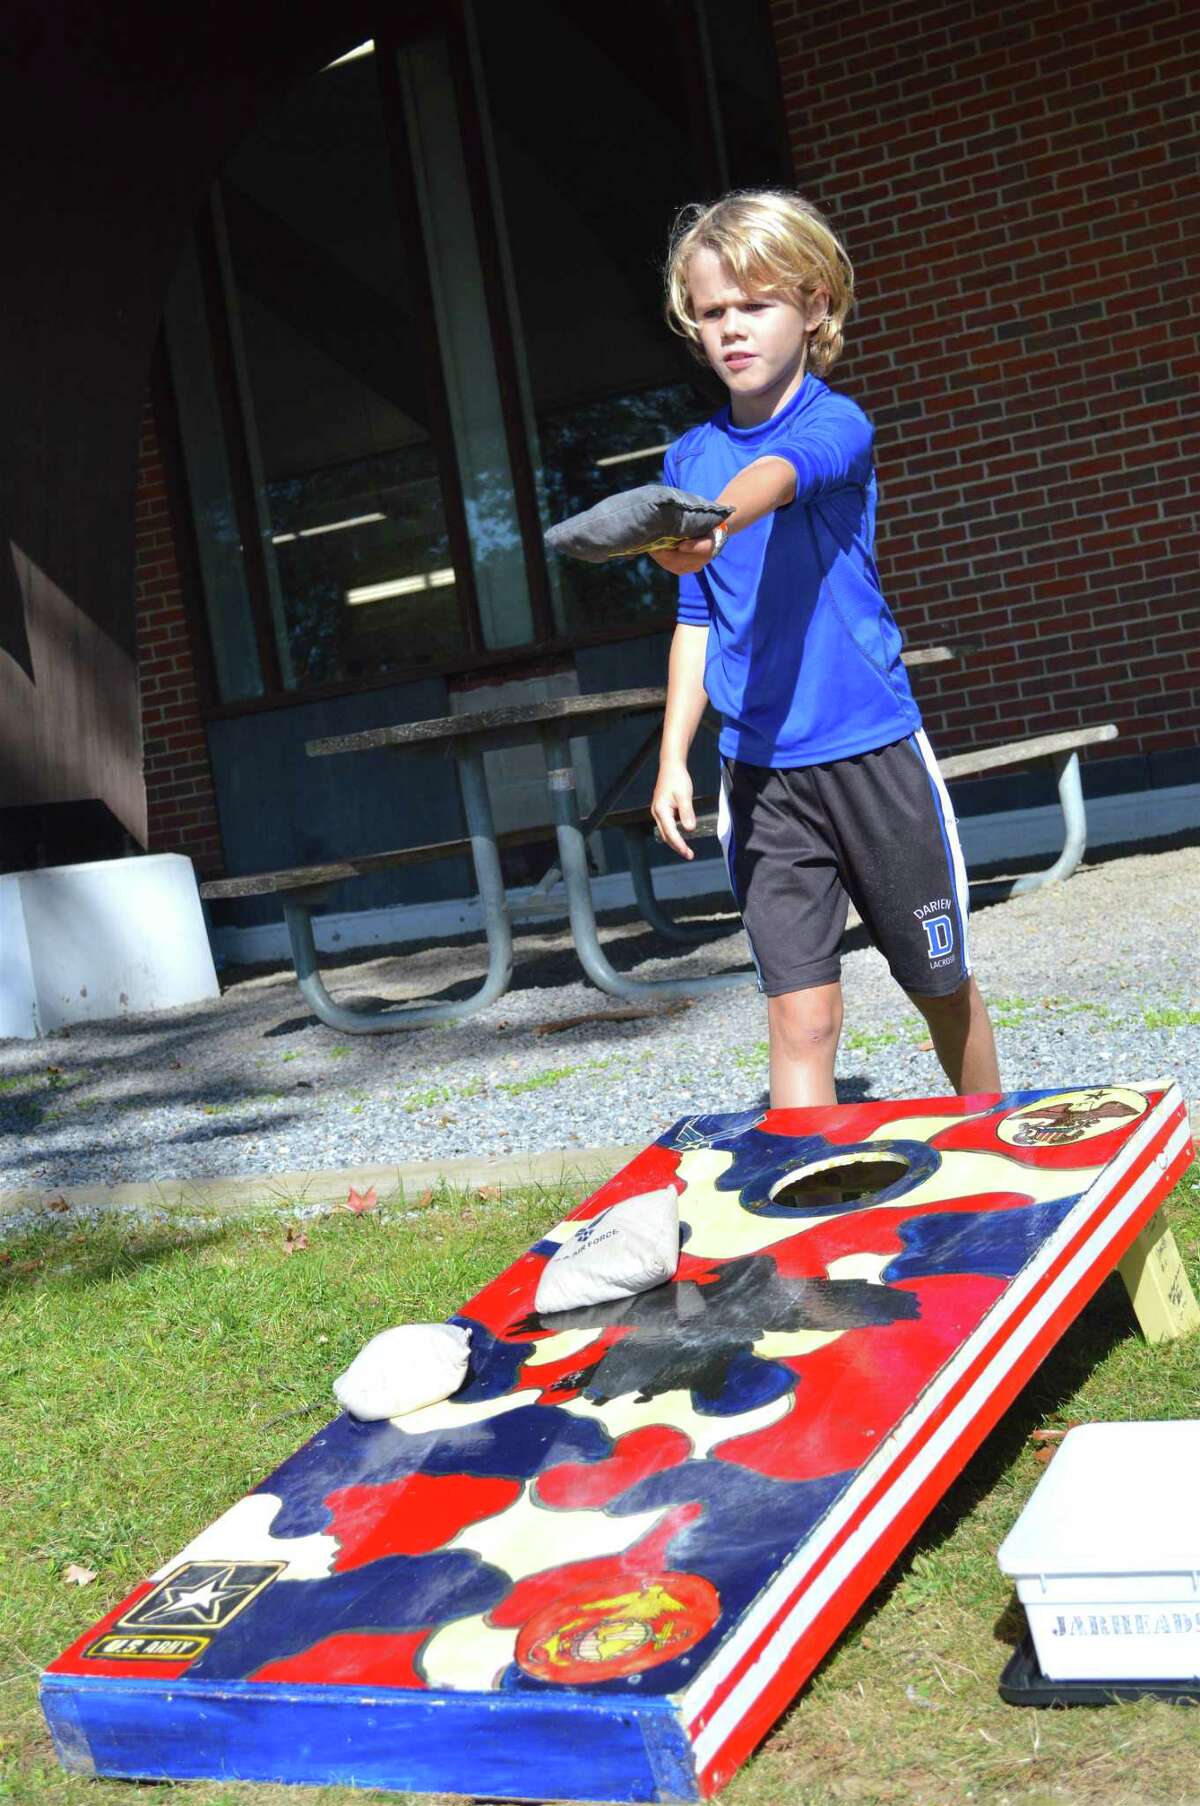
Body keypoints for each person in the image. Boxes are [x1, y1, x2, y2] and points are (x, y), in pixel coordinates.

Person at [649, 189, 1000, 1108]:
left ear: (813, 306)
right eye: (713, 311)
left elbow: (775, 477)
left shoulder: (836, 425)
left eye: (756, 305)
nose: (733, 329)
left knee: (941, 991)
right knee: (801, 1020)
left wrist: (711, 522)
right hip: (759, 779)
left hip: (873, 759)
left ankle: (1003, 1157)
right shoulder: (687, 459)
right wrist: (673, 757)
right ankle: (807, 1239)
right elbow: (697, 617)